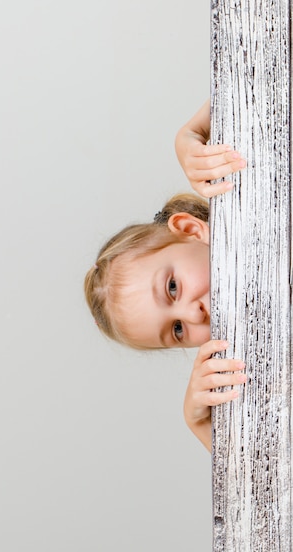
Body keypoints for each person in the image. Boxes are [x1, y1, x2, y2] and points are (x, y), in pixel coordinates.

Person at [84, 101, 246, 452]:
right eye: (177, 330)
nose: (192, 314)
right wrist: (200, 424)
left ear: (190, 229)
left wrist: (190, 134)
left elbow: (254, 69)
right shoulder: (244, 363)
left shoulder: (244, 192)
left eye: (172, 288)